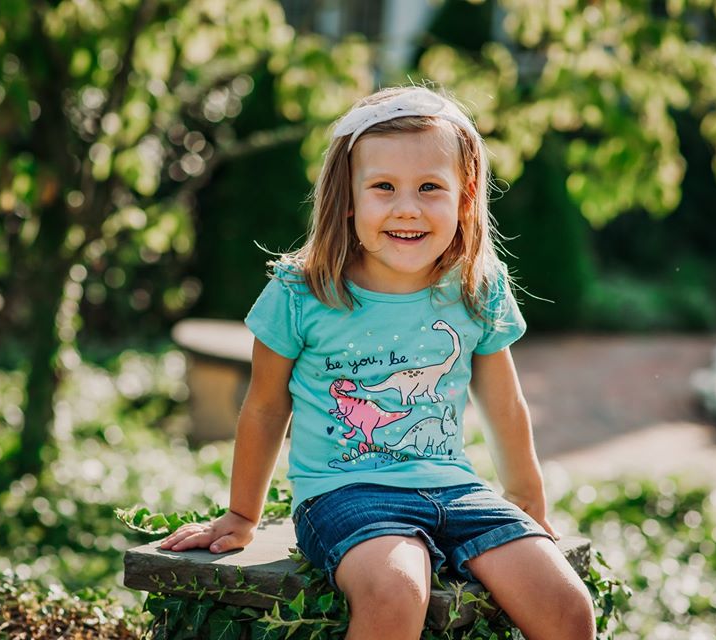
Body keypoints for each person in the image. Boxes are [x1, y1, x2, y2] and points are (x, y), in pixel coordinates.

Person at [160, 86, 595, 640]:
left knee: (566, 606)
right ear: (347, 198)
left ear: (464, 200)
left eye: (430, 188)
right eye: (383, 187)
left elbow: (504, 402)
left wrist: (526, 501)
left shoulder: (476, 289)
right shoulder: (302, 292)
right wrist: (243, 517)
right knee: (396, 592)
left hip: (457, 491)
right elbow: (267, 407)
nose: (407, 207)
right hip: (345, 496)